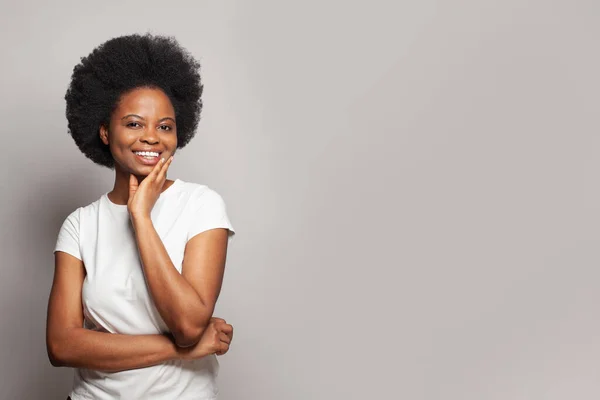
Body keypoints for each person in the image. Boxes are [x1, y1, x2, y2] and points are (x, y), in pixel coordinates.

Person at [45, 33, 236, 400]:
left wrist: (141, 218)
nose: (151, 137)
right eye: (134, 124)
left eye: (164, 126)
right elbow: (62, 346)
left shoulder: (202, 206)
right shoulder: (80, 225)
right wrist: (182, 349)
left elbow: (188, 325)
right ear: (104, 130)